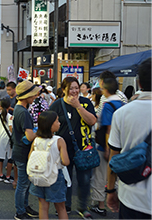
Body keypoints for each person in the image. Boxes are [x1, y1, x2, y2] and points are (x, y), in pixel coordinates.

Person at [106, 58, 151, 219]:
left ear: (139, 83)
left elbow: (114, 155)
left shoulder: (122, 113)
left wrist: (110, 190)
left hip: (131, 197)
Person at [49, 77, 97, 219]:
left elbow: (92, 121)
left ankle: (83, 207)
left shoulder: (86, 103)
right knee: (65, 180)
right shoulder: (57, 105)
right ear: (64, 90)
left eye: (77, 87)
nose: (75, 91)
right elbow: (49, 125)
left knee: (84, 180)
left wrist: (78, 106)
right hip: (63, 150)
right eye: (71, 88)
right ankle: (65, 206)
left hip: (84, 149)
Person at [90, 77, 124, 217]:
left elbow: (109, 128)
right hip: (121, 146)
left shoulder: (108, 105)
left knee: (100, 176)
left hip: (107, 146)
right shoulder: (122, 103)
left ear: (105, 89)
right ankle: (119, 201)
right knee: (117, 176)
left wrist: (108, 148)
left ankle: (100, 205)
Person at [29, 111, 70, 220]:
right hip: (55, 176)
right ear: (50, 125)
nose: (59, 123)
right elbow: (65, 162)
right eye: (57, 121)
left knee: (42, 206)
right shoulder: (59, 141)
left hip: (39, 175)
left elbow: (30, 158)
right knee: (61, 207)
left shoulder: (36, 140)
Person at [12, 80, 40, 220]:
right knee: (23, 185)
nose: (35, 97)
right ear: (26, 96)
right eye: (33, 94)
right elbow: (29, 136)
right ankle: (20, 211)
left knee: (25, 184)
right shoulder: (23, 112)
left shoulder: (18, 109)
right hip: (23, 152)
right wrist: (41, 132)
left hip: (19, 150)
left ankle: (24, 207)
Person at [0, 98, 15, 184]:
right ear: (9, 106)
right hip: (8, 139)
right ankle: (8, 176)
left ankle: (0, 174)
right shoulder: (10, 117)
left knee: (1, 157)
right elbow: (11, 129)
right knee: (10, 158)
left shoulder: (0, 115)